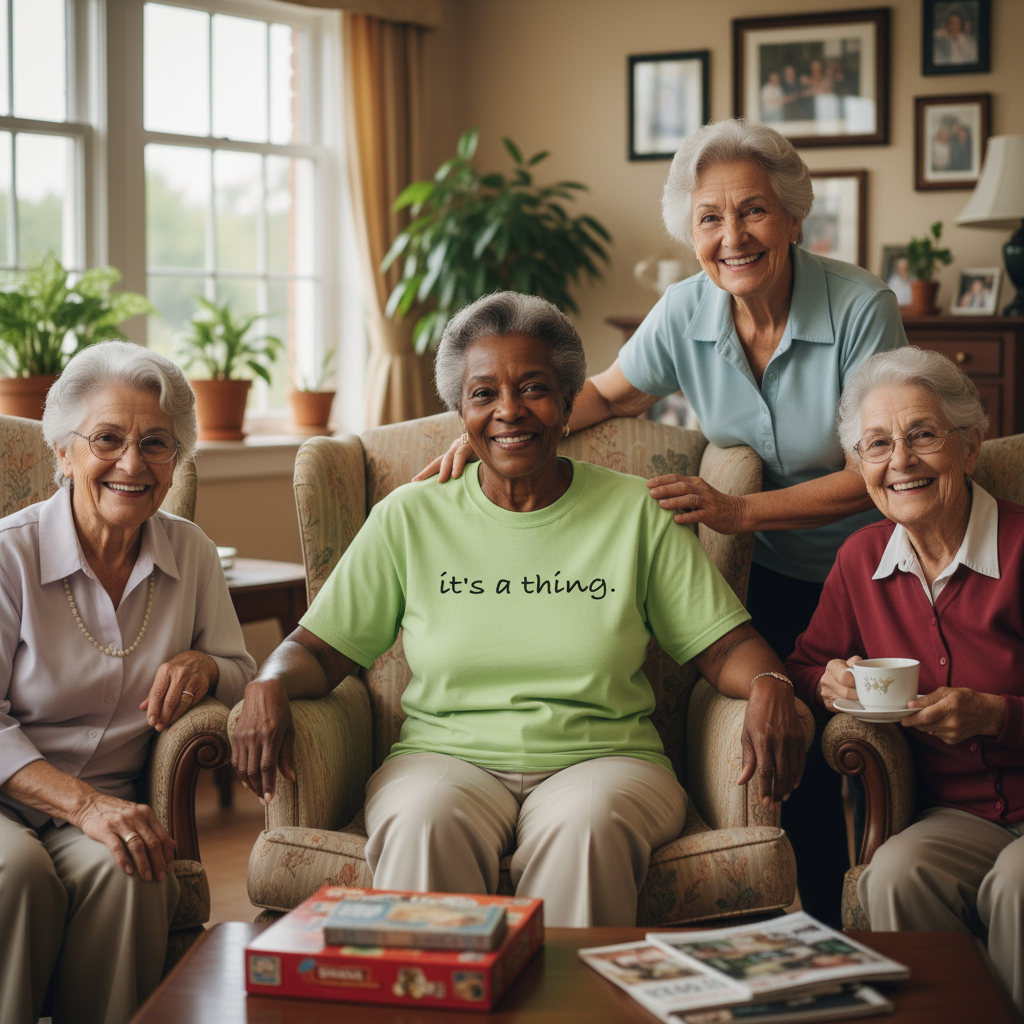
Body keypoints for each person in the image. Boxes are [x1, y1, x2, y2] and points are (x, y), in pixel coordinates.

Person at [418, 120, 908, 926]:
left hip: (862, 572)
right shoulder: (686, 310)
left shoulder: (860, 307)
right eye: (710, 219)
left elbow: (877, 471)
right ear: (691, 232)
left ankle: (862, 938)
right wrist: (493, 437)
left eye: (753, 211)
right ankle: (799, 943)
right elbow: (607, 393)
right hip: (767, 579)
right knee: (789, 772)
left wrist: (738, 510)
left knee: (863, 767)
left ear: (793, 217)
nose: (732, 236)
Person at [230, 292, 807, 928]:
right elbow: (319, 647)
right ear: (461, 411)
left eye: (533, 388)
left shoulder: (637, 510)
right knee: (423, 821)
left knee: (586, 827)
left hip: (605, 760)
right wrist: (268, 682)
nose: (509, 410)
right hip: (443, 758)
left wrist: (770, 682)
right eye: (484, 394)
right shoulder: (409, 514)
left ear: (566, 405)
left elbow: (724, 646)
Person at [0, 342, 256, 1024]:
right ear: (62, 451)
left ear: (177, 459)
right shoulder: (10, 555)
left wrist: (205, 666)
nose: (132, 464)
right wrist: (84, 807)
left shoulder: (191, 552)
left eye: (156, 443)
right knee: (16, 875)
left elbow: (239, 672)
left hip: (105, 807)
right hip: (11, 800)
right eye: (107, 440)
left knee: (136, 873)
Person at [786, 346, 1023, 1014]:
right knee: (895, 871)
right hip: (956, 816)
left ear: (971, 446)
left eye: (922, 435)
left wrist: (997, 716)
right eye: (878, 444)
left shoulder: (1022, 545)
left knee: (1018, 884)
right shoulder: (861, 559)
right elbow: (806, 662)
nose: (901, 462)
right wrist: (829, 683)